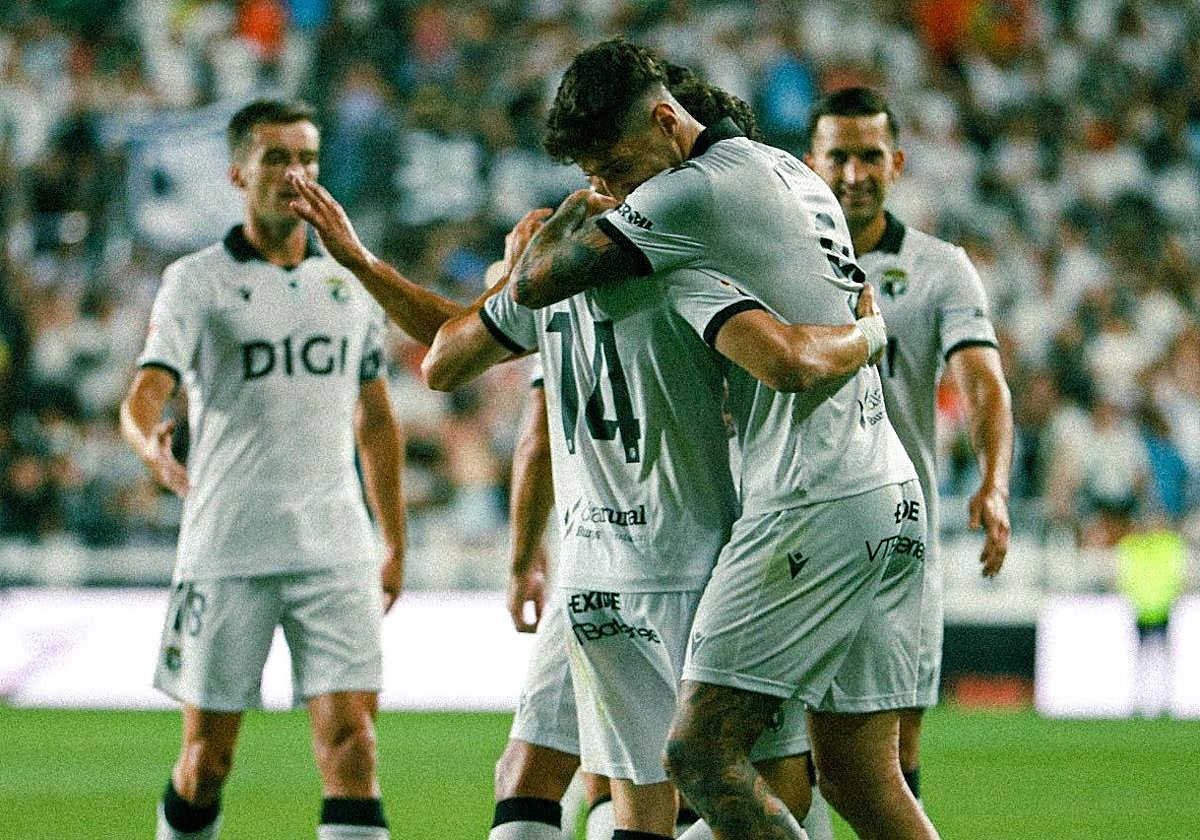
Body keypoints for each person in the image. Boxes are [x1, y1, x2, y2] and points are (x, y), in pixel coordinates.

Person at [508, 38, 935, 840]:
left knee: (699, 754)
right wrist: (870, 335)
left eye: (614, 167)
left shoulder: (687, 196)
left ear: (666, 122)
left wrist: (554, 225)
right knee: (860, 780)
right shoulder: (792, 173)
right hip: (885, 492)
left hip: (809, 501)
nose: (608, 190)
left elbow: (533, 285)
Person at [120, 99, 405, 840]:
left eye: (307, 158)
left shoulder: (351, 282)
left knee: (353, 745)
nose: (295, 174)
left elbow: (376, 421)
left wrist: (394, 539)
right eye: (276, 158)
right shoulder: (196, 281)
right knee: (207, 761)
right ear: (238, 173)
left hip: (335, 546)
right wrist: (148, 442)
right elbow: (147, 390)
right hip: (229, 545)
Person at [803, 86, 1013, 804]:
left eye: (870, 156)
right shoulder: (778, 257)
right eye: (839, 156)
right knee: (780, 741)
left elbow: (982, 382)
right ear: (811, 162)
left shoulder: (939, 267)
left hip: (897, 533)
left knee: (896, 742)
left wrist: (994, 482)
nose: (854, 173)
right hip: (791, 522)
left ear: (896, 162)